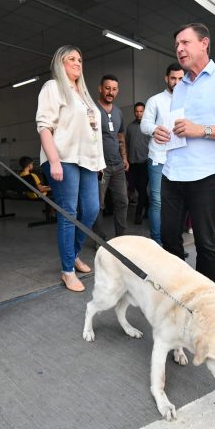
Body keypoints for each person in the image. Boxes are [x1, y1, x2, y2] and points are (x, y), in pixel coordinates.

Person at [153, 23, 215, 283]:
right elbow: (180, 126)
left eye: (185, 42)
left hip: (205, 174)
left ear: (204, 43)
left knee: (205, 243)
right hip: (172, 172)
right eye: (177, 45)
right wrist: (163, 133)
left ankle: (205, 303)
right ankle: (178, 292)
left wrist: (201, 130)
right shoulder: (181, 86)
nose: (179, 49)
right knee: (168, 238)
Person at [36, 45, 105, 292]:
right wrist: (53, 160)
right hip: (63, 157)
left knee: (92, 209)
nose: (77, 62)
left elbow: (92, 132)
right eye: (71, 59)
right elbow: (44, 126)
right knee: (69, 212)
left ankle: (73, 254)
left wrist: (97, 162)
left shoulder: (84, 94)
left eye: (80, 58)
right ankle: (67, 270)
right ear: (60, 63)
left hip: (87, 160)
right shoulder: (53, 87)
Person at [141, 63, 184, 245]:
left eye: (181, 79)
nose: (176, 82)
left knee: (178, 204)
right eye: (173, 78)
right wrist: (154, 129)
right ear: (166, 78)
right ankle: (157, 245)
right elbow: (144, 125)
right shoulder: (155, 100)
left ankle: (174, 244)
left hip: (182, 160)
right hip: (158, 158)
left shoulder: (189, 101)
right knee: (157, 202)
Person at [92, 75, 129, 240]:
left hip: (118, 166)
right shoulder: (91, 110)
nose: (110, 92)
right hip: (100, 166)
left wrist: (125, 157)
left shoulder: (118, 112)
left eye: (114, 89)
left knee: (122, 201)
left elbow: (120, 136)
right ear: (100, 88)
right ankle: (100, 240)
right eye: (107, 88)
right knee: (98, 205)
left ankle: (121, 238)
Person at [125, 102, 150, 224]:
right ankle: (148, 206)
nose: (139, 113)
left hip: (145, 163)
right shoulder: (130, 127)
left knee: (141, 188)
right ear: (134, 112)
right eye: (137, 111)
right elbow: (126, 145)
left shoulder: (149, 127)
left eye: (141, 111)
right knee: (138, 189)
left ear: (145, 112)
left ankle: (138, 214)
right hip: (133, 164)